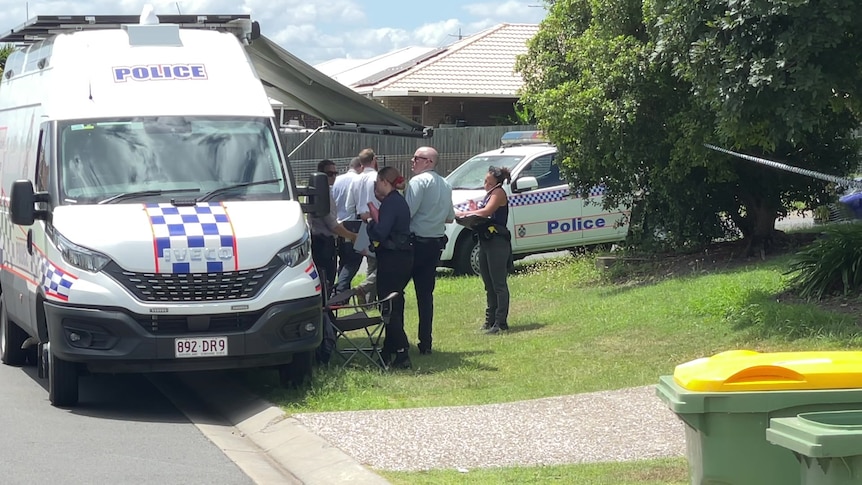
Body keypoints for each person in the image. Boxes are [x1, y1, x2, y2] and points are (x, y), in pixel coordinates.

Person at [360, 166, 414, 368]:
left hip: (393, 259)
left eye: (376, 184)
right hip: (401, 257)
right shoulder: (397, 201)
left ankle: (401, 351)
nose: (375, 189)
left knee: (388, 305)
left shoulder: (391, 203)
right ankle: (389, 348)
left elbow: (381, 232)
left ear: (384, 182)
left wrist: (370, 223)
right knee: (395, 303)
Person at [405, 146, 454, 355]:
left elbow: (407, 212)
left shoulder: (418, 182)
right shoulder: (446, 184)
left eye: (417, 158)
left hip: (415, 243)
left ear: (428, 162)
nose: (412, 161)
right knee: (425, 295)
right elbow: (450, 217)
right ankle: (426, 343)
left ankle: (395, 341)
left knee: (395, 290)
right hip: (434, 243)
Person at [455, 166, 512, 334]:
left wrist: (468, 213)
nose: (485, 184)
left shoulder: (498, 193)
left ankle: (500, 322)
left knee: (498, 283)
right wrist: (473, 209)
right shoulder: (489, 194)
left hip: (497, 242)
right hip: (485, 241)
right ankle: (490, 320)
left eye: (488, 181)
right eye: (485, 181)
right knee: (488, 283)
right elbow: (483, 212)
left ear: (497, 182)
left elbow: (487, 211)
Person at [308, 159, 356, 294]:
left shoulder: (318, 192)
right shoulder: (323, 195)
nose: (334, 177)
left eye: (335, 173)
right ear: (321, 175)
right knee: (326, 281)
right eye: (330, 173)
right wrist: (352, 236)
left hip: (321, 241)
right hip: (323, 242)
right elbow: (332, 225)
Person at [341, 148, 379, 300]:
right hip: (376, 221)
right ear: (374, 160)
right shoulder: (378, 177)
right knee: (380, 260)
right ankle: (366, 289)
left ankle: (368, 300)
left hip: (359, 222)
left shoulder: (355, 179)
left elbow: (349, 205)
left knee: (371, 260)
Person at [332, 157, 363, 295]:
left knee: (344, 261)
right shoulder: (359, 181)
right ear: (360, 166)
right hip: (353, 225)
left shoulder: (336, 180)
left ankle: (343, 296)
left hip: (337, 224)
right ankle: (340, 292)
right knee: (353, 261)